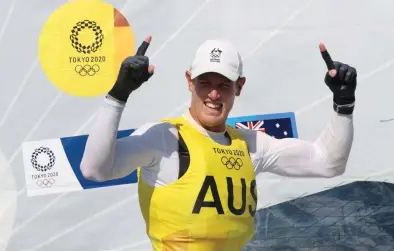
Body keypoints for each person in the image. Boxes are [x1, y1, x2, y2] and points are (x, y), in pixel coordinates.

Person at [80, 36, 356, 251]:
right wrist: (119, 94)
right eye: (204, 82)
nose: (213, 93)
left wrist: (343, 105)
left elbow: (329, 164)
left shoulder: (250, 145)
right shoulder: (164, 137)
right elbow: (95, 170)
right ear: (189, 82)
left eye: (224, 84)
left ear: (239, 86)